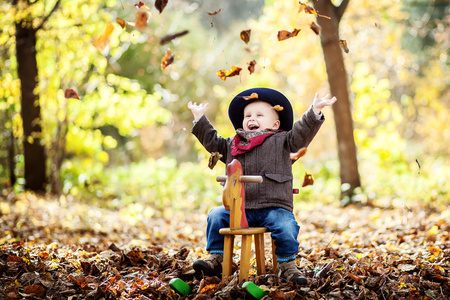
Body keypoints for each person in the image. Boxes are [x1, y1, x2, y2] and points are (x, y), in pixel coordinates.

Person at [188, 87, 336, 284]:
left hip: (273, 207)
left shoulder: (284, 141)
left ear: (275, 124)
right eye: (247, 115)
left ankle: (287, 265)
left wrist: (314, 111)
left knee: (286, 225)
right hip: (241, 209)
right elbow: (213, 143)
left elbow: (302, 133)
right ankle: (216, 258)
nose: (252, 118)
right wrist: (200, 119)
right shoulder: (233, 144)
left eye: (259, 114)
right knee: (215, 215)